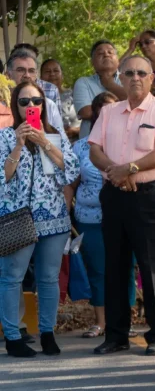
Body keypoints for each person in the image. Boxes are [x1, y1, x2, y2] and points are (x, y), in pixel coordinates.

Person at [89, 55, 155, 357]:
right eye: (129, 73)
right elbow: (94, 150)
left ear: (152, 78)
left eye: (142, 73)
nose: (135, 78)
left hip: (151, 195)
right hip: (114, 194)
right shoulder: (109, 111)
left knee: (154, 267)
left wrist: (129, 169)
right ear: (121, 78)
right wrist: (117, 173)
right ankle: (116, 335)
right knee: (115, 266)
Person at [0, 82, 79, 357]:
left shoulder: (55, 135)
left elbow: (71, 172)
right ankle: (13, 337)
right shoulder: (5, 137)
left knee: (48, 279)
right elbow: (3, 177)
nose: (30, 106)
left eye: (36, 100)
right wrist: (19, 145)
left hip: (53, 218)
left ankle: (47, 333)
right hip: (17, 219)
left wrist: (44, 142)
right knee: (12, 277)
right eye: (24, 102)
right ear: (16, 106)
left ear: (44, 104)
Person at [70, 92, 139, 340]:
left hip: (125, 215)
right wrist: (66, 215)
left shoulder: (130, 142)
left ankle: (125, 321)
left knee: (125, 268)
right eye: (102, 110)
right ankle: (101, 322)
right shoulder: (80, 146)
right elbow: (71, 183)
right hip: (90, 218)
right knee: (98, 270)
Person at [73, 40, 127, 138]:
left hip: (123, 140)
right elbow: (86, 112)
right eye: (100, 53)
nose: (106, 55)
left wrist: (110, 84)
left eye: (110, 52)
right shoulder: (83, 82)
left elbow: (136, 103)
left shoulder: (129, 79)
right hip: (90, 142)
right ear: (92, 62)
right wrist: (124, 107)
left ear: (117, 59)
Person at [5, 48, 63, 130]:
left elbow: (61, 137)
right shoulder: (2, 105)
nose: (27, 75)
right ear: (8, 75)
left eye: (31, 71)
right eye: (20, 70)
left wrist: (42, 137)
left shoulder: (49, 105)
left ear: (36, 75)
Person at [41, 59, 81, 140]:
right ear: (40, 77)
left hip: (76, 142)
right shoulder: (36, 99)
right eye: (47, 71)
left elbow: (89, 123)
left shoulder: (74, 95)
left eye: (56, 71)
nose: (52, 74)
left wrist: (75, 131)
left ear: (62, 75)